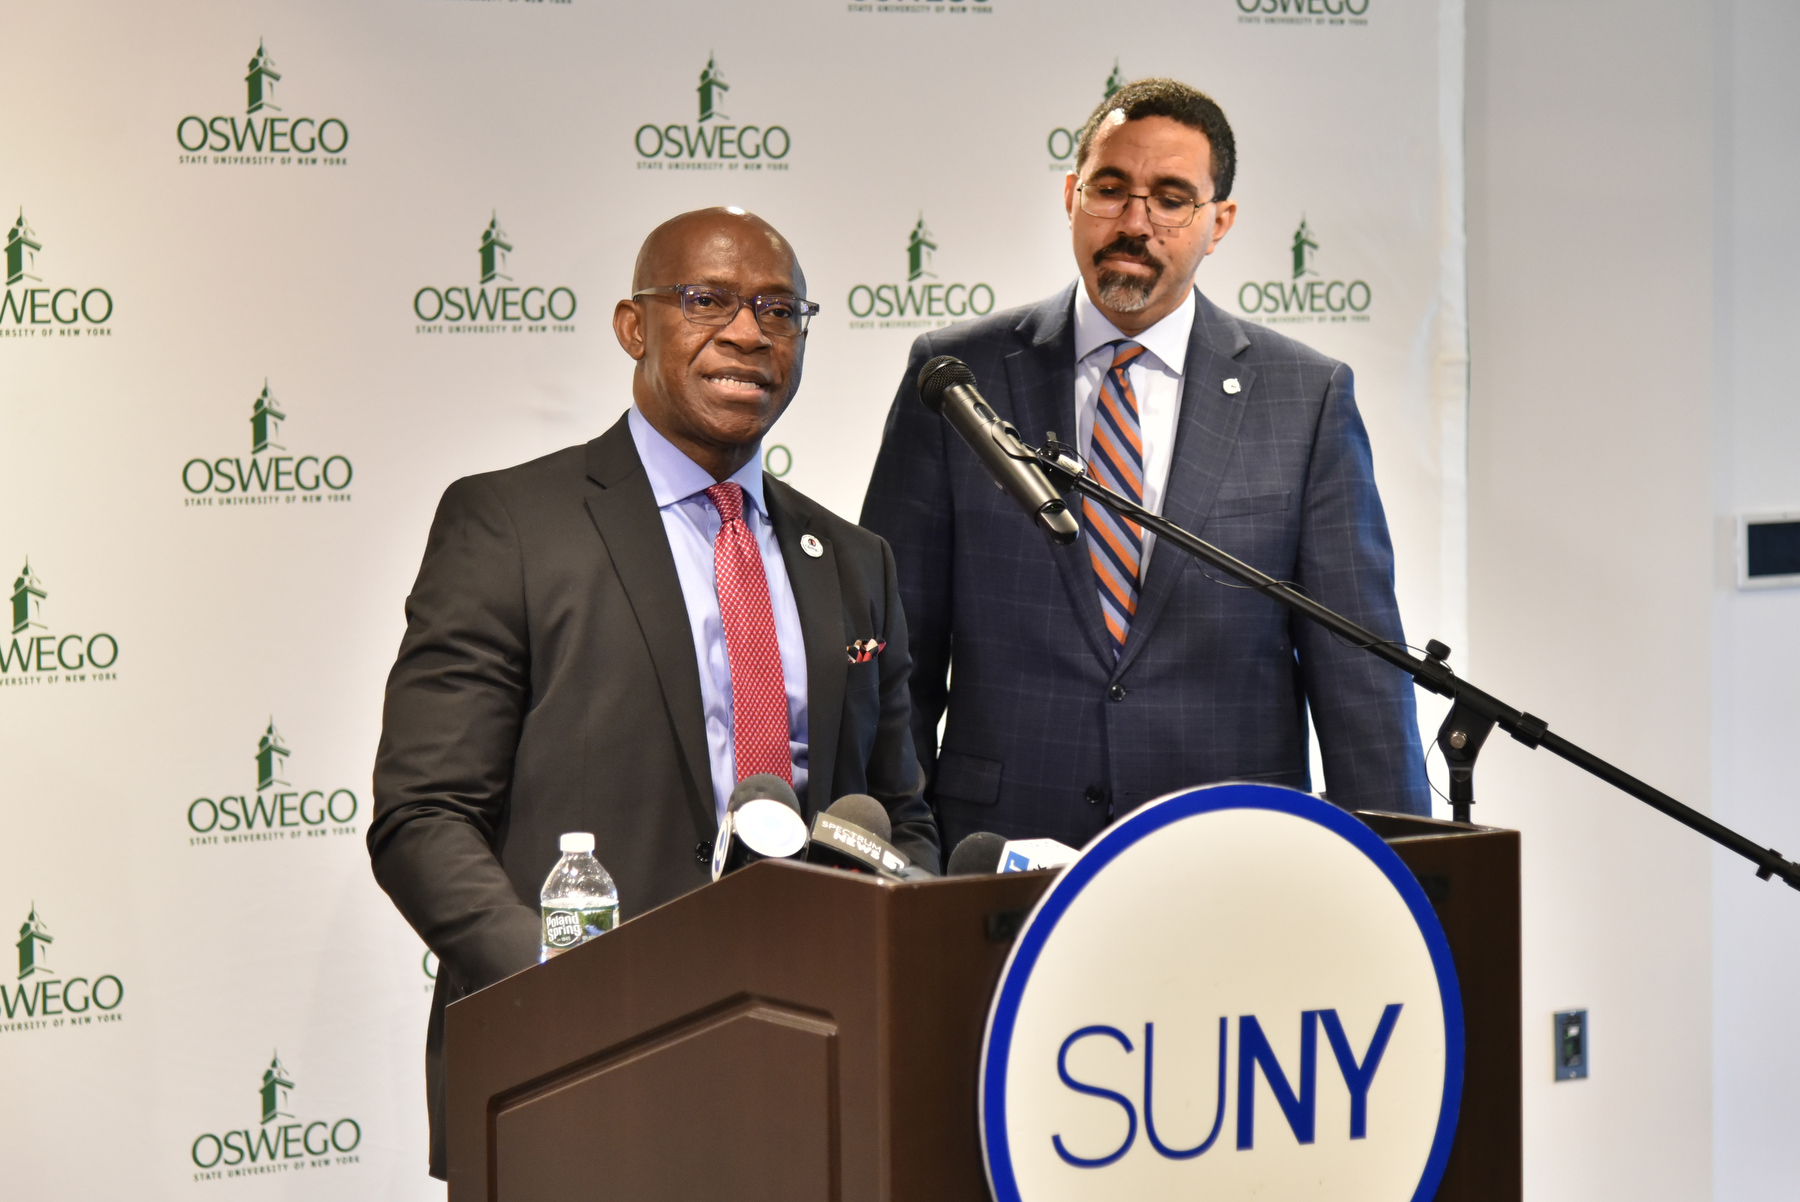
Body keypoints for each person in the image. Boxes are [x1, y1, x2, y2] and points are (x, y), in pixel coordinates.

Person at [369, 207, 937, 1179]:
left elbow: (902, 814)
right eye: (706, 300)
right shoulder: (509, 524)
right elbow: (423, 814)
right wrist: (565, 987)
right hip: (572, 1077)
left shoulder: (854, 559)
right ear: (635, 326)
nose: (749, 333)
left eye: (778, 309)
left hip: (814, 1073)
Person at [861, 78, 1429, 854]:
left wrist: (1408, 885)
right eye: (1111, 189)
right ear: (1071, 196)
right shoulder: (958, 375)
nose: (1135, 223)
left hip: (1231, 856)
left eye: (1170, 198)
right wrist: (901, 863)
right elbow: (898, 659)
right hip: (1000, 856)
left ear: (1219, 221)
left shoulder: (1305, 397)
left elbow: (1361, 679)